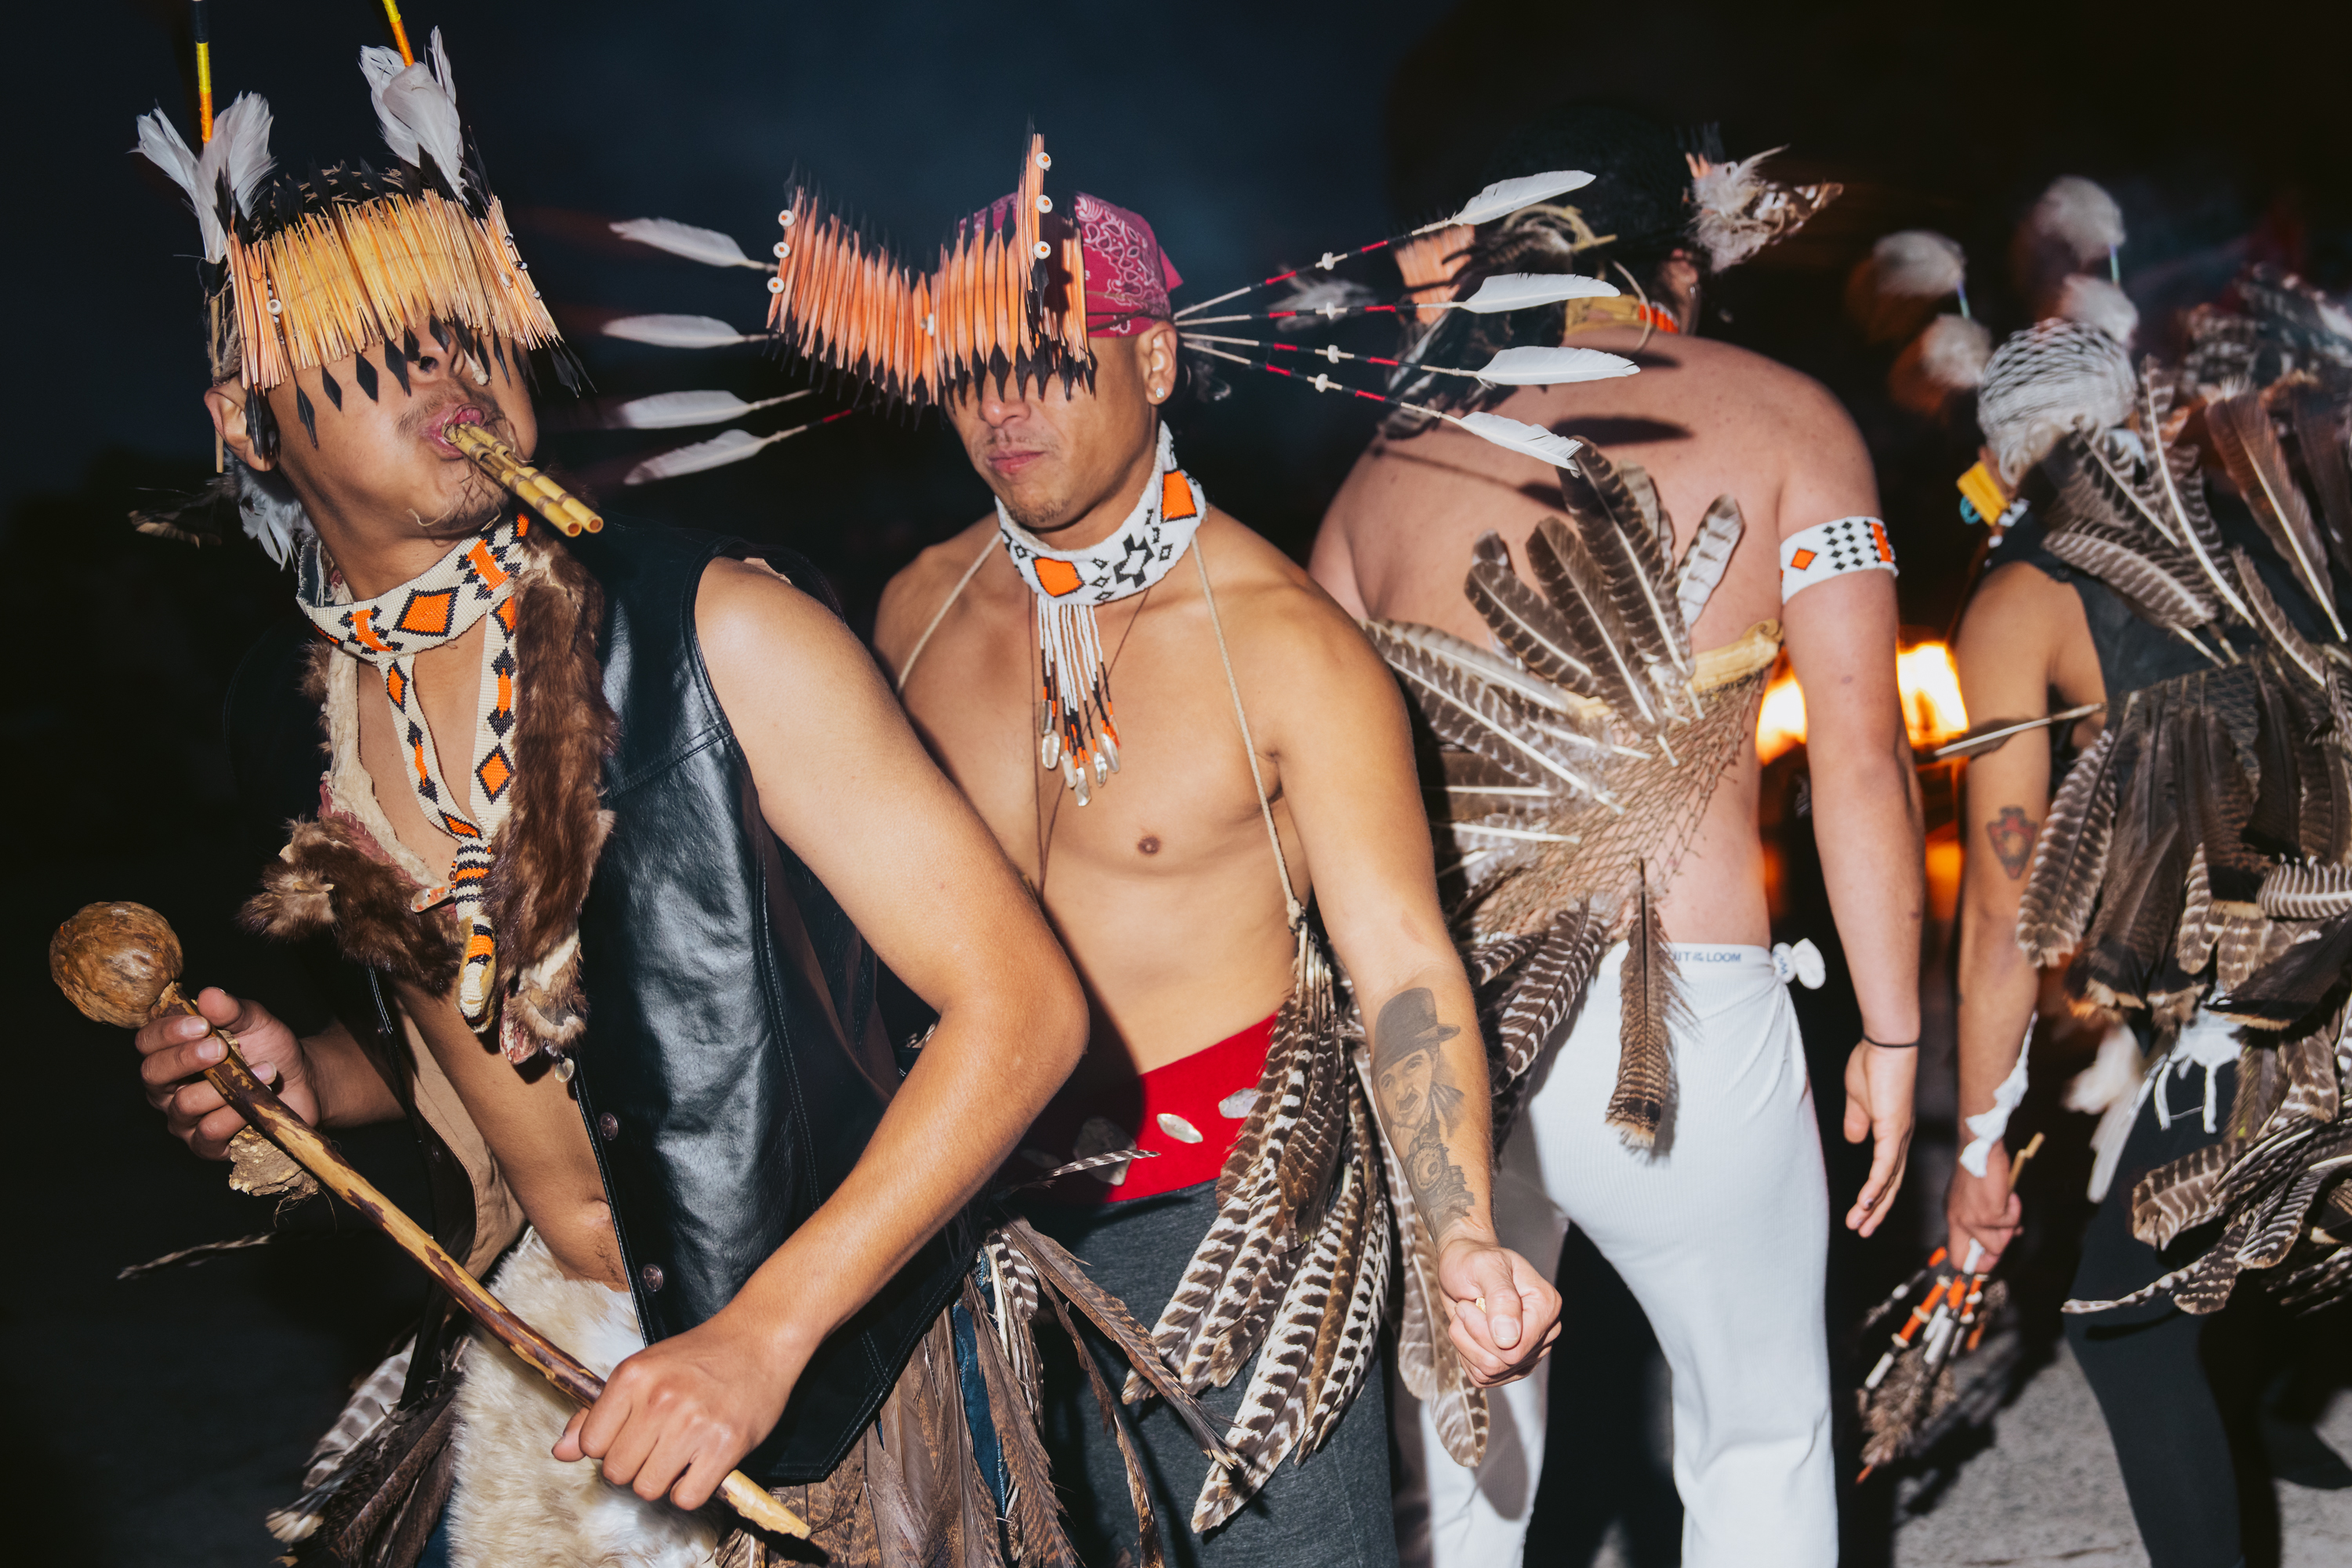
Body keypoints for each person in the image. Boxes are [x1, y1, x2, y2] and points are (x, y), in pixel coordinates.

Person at [125, 32, 1084, 1568]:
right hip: (546, 1359)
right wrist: (300, 1067)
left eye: (468, 324)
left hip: (821, 1365)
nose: (449, 368)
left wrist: (761, 1336)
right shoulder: (289, 713)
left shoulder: (721, 634)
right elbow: (483, 1040)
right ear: (244, 420)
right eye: (383, 339)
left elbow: (1022, 1006)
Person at [869, 187, 1564, 1566]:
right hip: (970, 1233)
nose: (1004, 403)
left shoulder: (1286, 648)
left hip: (1236, 1231)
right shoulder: (912, 612)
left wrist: (1464, 1230)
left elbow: (1406, 964)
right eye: (970, 365)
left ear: (1157, 357)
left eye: (1052, 355)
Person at [1311, 104, 1922, 1567]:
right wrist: (1893, 1035)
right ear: (1677, 266)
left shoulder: (1379, 481)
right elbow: (1861, 758)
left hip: (1450, 1027)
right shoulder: (1787, 419)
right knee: (1758, 1444)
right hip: (1689, 1035)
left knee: (1458, 1479)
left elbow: (1327, 821)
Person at [1944, 270, 2352, 1568]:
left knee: (2125, 1320)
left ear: (2002, 464)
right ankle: (2273, 1412)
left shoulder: (2020, 594)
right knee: (2261, 1195)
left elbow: (2005, 908)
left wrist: (1978, 1140)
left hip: (2291, 977)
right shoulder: (2267, 504)